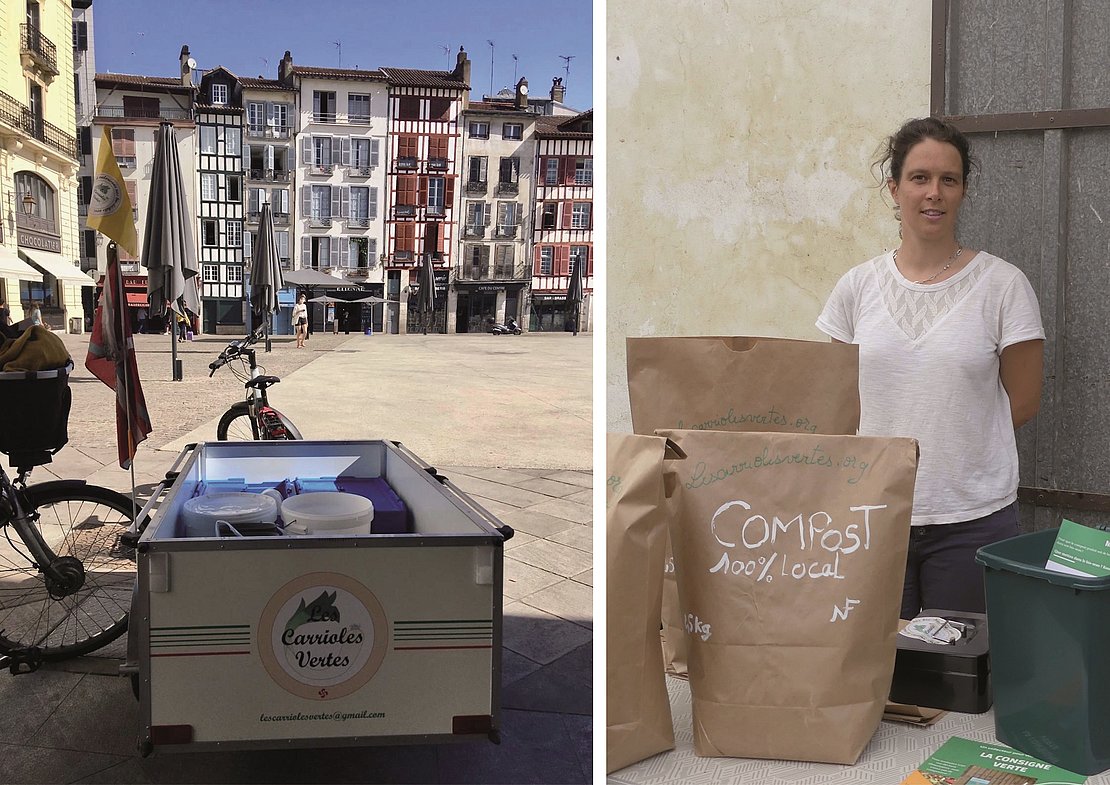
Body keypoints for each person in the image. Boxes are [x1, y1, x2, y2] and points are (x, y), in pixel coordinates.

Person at [816, 117, 1045, 619]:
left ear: (964, 190)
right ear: (894, 187)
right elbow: (839, 402)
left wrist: (953, 451)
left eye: (949, 179)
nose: (933, 193)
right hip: (870, 514)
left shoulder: (1003, 286)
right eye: (919, 178)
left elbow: (1024, 401)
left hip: (972, 519)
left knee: (958, 682)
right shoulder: (856, 288)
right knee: (874, 678)